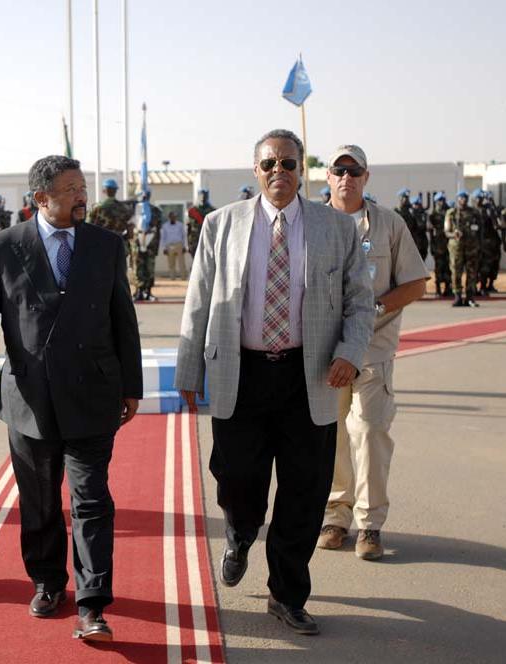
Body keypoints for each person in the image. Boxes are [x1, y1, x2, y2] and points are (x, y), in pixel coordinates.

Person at [175, 129, 373, 636]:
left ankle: (286, 594)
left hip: (310, 374)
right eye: (269, 164)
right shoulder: (221, 224)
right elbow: (199, 300)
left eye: (288, 163)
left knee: (305, 491)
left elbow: (359, 301)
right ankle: (240, 533)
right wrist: (188, 369)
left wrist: (349, 353)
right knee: (237, 477)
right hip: (240, 372)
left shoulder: (336, 227)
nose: (278, 172)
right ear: (255, 170)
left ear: (301, 169)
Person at [0, 155, 143, 643]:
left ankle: (92, 604)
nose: (82, 196)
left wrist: (131, 386)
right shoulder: (2, 247)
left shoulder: (106, 245)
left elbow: (122, 318)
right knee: (40, 502)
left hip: (92, 394)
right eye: (71, 189)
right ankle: (47, 581)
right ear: (41, 198)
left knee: (92, 501)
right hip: (30, 399)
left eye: (83, 187)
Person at [318, 145, 427, 561]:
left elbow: (415, 283)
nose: (346, 177)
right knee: (331, 436)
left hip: (371, 348)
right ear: (328, 176)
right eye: (339, 170)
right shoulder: (311, 223)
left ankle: (370, 524)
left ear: (366, 176)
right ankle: (335, 515)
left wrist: (375, 308)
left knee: (369, 431)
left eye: (355, 170)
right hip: (324, 351)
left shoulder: (388, 224)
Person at [444, 190, 481, 307]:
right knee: (456, 272)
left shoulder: (474, 212)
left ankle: (470, 297)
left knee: (472, 272)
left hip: (471, 248)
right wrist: (454, 234)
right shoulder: (452, 213)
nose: (463, 200)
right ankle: (458, 296)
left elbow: (480, 230)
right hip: (456, 248)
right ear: (458, 199)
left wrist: (479, 245)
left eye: (465, 197)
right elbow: (446, 232)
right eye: (461, 198)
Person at [133, 190, 163, 301]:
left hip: (151, 242)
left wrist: (156, 247)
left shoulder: (156, 211)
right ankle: (139, 291)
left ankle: (148, 291)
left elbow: (158, 229)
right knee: (138, 267)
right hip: (137, 242)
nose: (144, 197)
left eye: (146, 195)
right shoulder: (134, 210)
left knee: (149, 267)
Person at [428, 192, 452, 296]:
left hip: (448, 245)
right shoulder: (433, 215)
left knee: (448, 267)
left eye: (442, 200)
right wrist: (432, 246)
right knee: (438, 268)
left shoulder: (449, 212)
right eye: (439, 200)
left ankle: (448, 288)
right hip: (438, 246)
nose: (441, 202)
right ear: (436, 202)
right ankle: (438, 289)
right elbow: (430, 231)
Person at [186, 188, 214, 257]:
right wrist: (188, 244)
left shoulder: (213, 211)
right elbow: (188, 228)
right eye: (200, 195)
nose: (202, 197)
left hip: (209, 240)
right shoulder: (192, 211)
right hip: (195, 240)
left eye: (204, 195)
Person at [160, 210, 186, 279]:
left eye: (174, 217)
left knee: (181, 262)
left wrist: (184, 246)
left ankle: (183, 277)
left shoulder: (180, 225)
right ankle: (172, 277)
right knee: (171, 263)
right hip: (169, 246)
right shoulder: (165, 226)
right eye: (171, 217)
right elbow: (163, 237)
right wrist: (164, 248)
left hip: (179, 244)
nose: (173, 218)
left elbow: (184, 236)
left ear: (176, 217)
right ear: (169, 217)